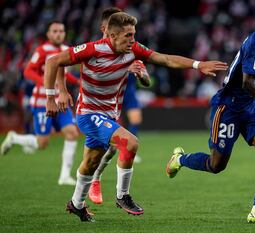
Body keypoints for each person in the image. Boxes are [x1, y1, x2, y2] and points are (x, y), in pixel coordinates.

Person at [44, 12, 228, 222]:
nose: (132, 40)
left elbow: (164, 59)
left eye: (133, 35)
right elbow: (54, 61)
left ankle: (77, 204)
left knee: (91, 162)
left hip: (109, 115)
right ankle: (123, 196)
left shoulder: (133, 50)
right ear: (111, 36)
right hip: (88, 113)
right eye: (128, 36)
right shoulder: (93, 49)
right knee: (130, 143)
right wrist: (56, 94)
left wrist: (197, 65)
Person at [165, 3, 255, 224]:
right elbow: (247, 82)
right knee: (217, 165)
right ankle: (181, 159)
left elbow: (254, 83)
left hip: (249, 107)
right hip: (229, 108)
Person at [0, 21, 80, 186]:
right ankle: (15, 138)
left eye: (61, 31)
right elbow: (28, 71)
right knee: (42, 143)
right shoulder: (42, 50)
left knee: (72, 133)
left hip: (61, 101)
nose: (59, 34)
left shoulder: (66, 50)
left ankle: (64, 176)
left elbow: (62, 75)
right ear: (49, 34)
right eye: (55, 31)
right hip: (43, 102)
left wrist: (78, 82)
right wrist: (46, 83)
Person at [88, 7, 147, 205]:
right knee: (97, 152)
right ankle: (93, 182)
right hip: (94, 105)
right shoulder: (93, 50)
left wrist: (141, 74)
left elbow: (145, 77)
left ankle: (93, 182)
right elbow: (67, 64)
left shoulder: (130, 48)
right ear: (104, 29)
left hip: (121, 98)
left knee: (113, 147)